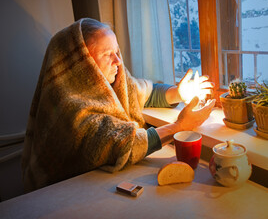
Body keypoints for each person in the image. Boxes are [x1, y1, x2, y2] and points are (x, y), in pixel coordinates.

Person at [22, 18, 215, 192]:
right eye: (108, 54)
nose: (118, 61)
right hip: (60, 196)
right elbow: (121, 144)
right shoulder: (70, 109)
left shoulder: (113, 83)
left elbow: (144, 93)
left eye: (117, 52)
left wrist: (179, 93)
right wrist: (181, 127)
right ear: (82, 64)